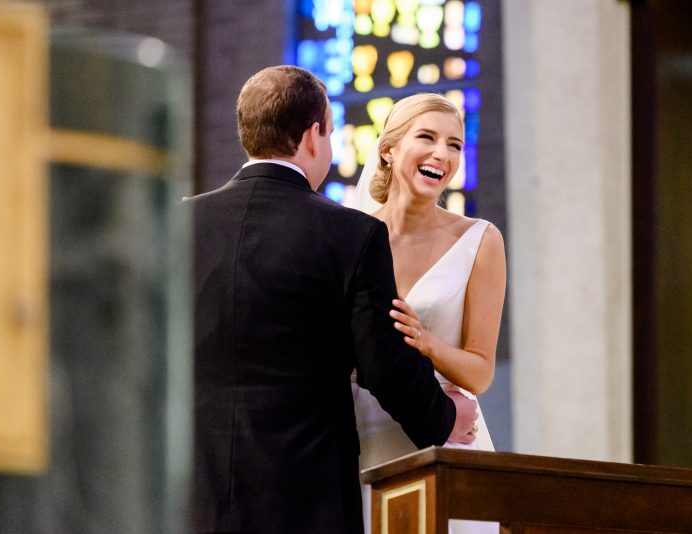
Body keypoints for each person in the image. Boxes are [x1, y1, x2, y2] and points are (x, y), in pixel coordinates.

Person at [183, 66, 478, 533]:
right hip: (304, 491)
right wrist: (445, 418)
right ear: (313, 135)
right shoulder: (350, 234)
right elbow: (383, 363)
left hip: (192, 492)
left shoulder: (177, 226)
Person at [351, 93, 507, 534]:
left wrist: (428, 343)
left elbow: (479, 373)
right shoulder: (350, 235)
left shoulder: (480, 240)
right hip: (362, 437)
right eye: (428, 137)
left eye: (455, 144)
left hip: (447, 435)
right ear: (389, 149)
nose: (443, 153)